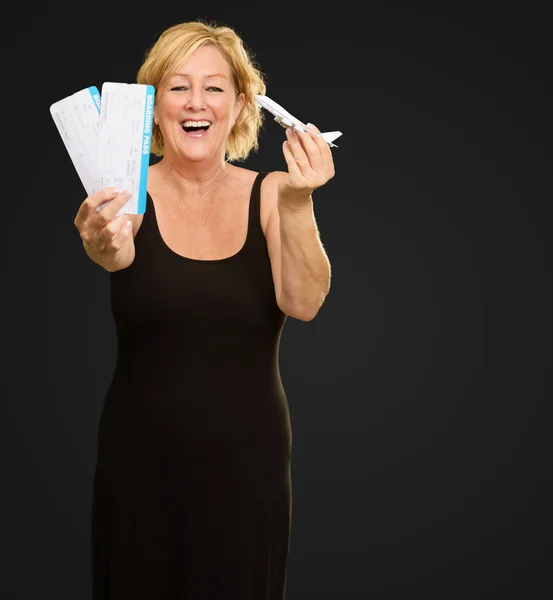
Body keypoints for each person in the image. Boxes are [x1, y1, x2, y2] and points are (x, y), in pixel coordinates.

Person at [73, 19, 335, 600]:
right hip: (138, 468)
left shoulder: (272, 192)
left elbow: (305, 302)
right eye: (178, 86)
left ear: (242, 103)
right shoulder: (122, 190)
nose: (197, 102)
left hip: (250, 469)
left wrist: (299, 199)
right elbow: (112, 251)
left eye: (214, 87)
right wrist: (102, 242)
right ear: (154, 105)